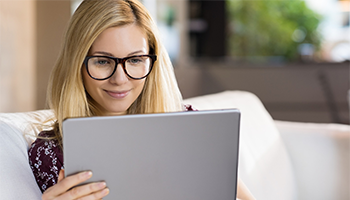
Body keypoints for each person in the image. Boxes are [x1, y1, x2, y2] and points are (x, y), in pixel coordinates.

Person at [28, 0, 255, 199]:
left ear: (152, 62)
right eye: (102, 61)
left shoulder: (190, 128)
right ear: (76, 64)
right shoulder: (51, 153)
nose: (120, 78)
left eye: (135, 60)